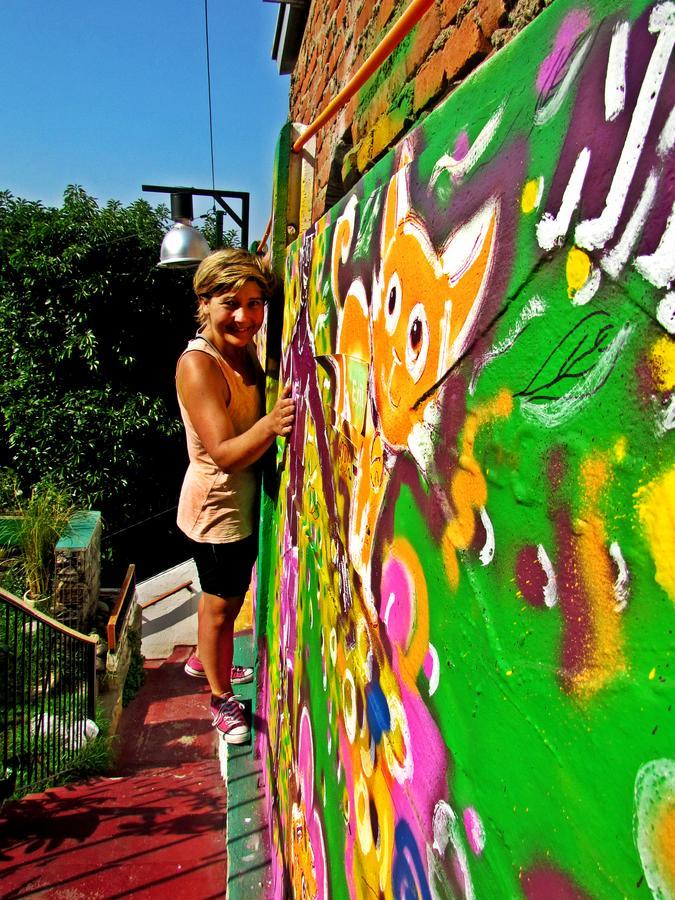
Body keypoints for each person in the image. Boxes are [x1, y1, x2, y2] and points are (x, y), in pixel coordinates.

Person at [175, 248, 294, 743]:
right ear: (204, 303)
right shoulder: (199, 365)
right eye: (231, 303)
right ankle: (220, 700)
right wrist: (271, 424)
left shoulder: (239, 346)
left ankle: (208, 662)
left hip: (235, 506)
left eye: (256, 303)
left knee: (216, 601)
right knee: (223, 608)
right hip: (218, 513)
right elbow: (223, 452)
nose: (246, 317)